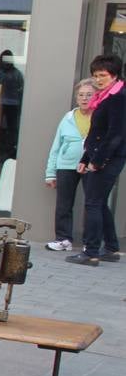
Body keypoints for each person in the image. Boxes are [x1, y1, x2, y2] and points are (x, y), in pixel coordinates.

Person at [68, 54, 126, 266]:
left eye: (103, 75)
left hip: (109, 158)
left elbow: (116, 134)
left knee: (93, 202)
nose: (98, 79)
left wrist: (98, 161)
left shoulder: (118, 98)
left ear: (114, 75)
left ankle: (90, 251)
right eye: (95, 75)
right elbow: (96, 132)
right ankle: (110, 247)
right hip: (99, 155)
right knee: (99, 203)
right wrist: (86, 157)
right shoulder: (104, 96)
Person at [44, 79, 95, 252]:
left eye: (89, 95)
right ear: (76, 97)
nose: (84, 98)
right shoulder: (67, 118)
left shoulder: (100, 116)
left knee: (92, 204)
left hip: (91, 166)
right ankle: (63, 239)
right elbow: (56, 146)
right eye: (81, 95)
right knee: (64, 204)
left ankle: (90, 242)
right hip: (66, 165)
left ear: (96, 96)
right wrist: (50, 173)